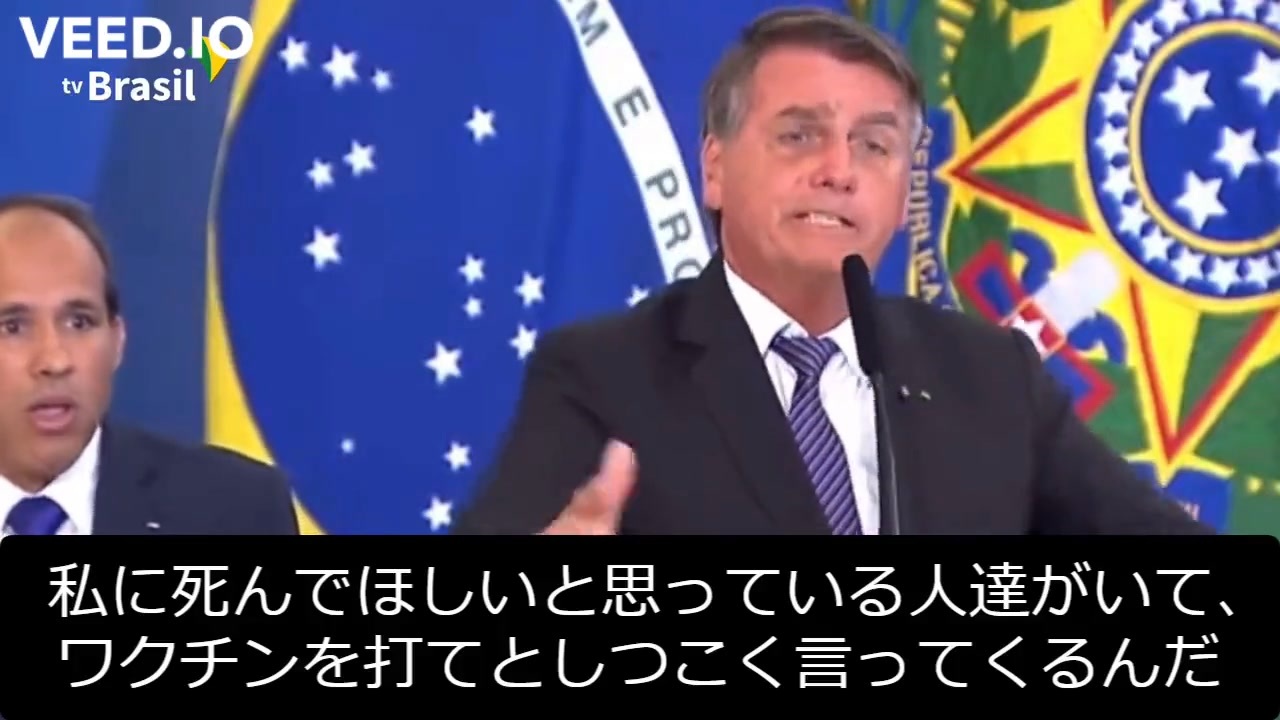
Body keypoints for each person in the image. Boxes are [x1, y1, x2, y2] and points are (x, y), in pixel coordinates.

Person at [453, 8, 1209, 536]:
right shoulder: (604, 374)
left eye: (874, 146)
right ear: (714, 168)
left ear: (903, 192)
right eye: (799, 135)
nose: (839, 170)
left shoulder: (990, 377)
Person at [0, 193, 298, 537]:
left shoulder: (239, 509)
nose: (55, 360)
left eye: (79, 322)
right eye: (13, 327)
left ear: (117, 340)